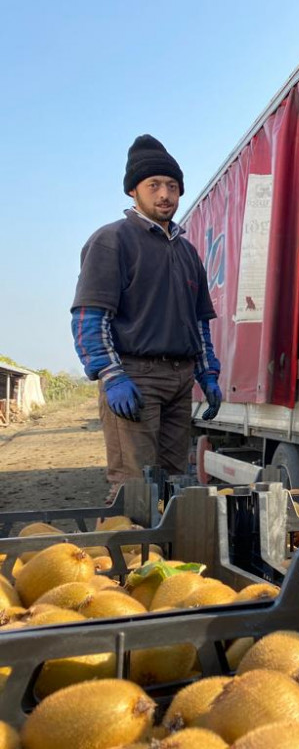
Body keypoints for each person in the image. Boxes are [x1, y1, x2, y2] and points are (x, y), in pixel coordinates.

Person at [71, 135, 222, 500]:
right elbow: (89, 317)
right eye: (153, 185)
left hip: (180, 379)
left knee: (173, 484)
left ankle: (167, 557)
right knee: (135, 486)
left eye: (172, 186)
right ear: (132, 192)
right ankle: (121, 556)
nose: (165, 194)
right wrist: (111, 376)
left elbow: (198, 323)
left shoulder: (187, 252)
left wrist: (209, 373)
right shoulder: (112, 241)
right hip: (135, 376)